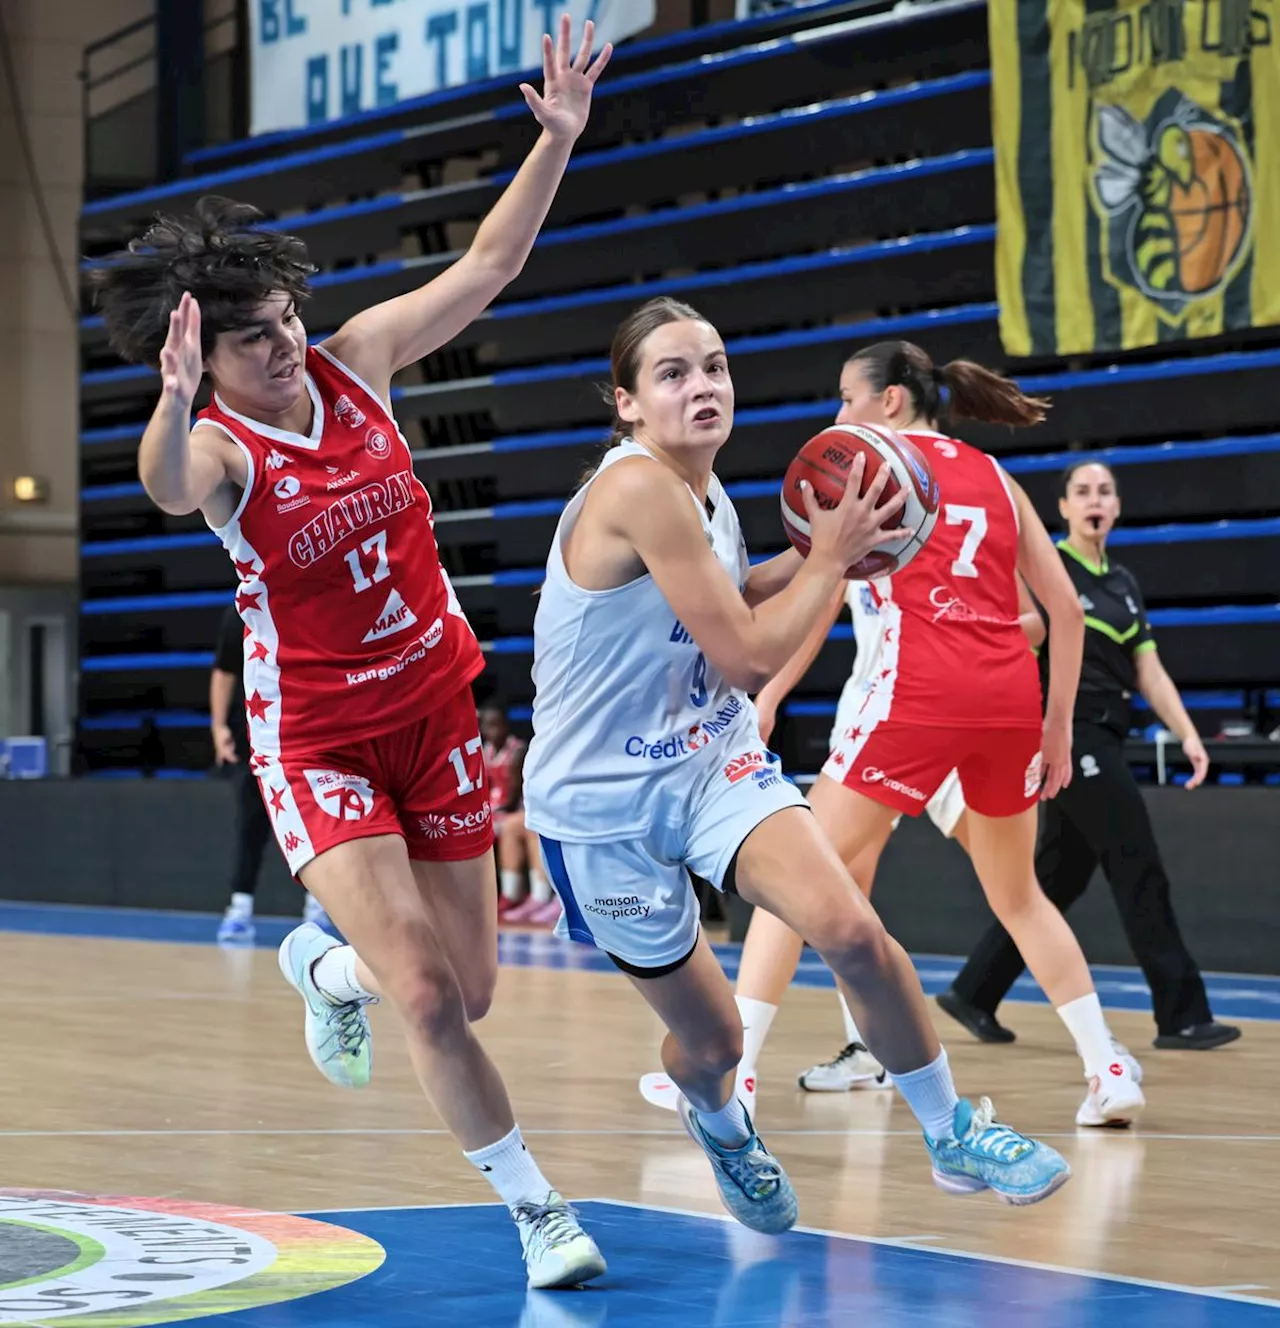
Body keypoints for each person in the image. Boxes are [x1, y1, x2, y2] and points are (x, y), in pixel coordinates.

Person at [94, 16, 613, 1290]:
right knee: (428, 999)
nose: (280, 344)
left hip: (435, 712)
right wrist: (170, 401)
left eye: (281, 319)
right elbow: (165, 490)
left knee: (474, 988)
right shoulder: (219, 446)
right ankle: (538, 1209)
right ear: (204, 357)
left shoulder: (361, 363)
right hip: (319, 737)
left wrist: (556, 142)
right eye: (250, 338)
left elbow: (487, 266)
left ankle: (319, 958)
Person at [522, 295, 1072, 1235]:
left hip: (707, 767)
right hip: (600, 809)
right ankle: (720, 1121)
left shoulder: (706, 495)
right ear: (626, 403)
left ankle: (950, 1133)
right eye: (674, 373)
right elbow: (745, 653)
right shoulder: (636, 489)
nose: (704, 386)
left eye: (716, 366)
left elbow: (730, 593)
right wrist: (831, 560)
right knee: (714, 1041)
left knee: (853, 932)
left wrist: (826, 553)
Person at [642, 340, 1146, 1130]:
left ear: (892, 404)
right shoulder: (997, 476)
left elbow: (817, 592)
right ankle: (1109, 1066)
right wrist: (1054, 730)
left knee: (787, 881)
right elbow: (1063, 615)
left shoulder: (870, 471)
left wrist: (769, 689)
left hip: (916, 696)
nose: (840, 415)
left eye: (849, 397)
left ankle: (728, 1078)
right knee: (1017, 895)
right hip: (1011, 701)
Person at [939, 460, 1242, 1051]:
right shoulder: (1047, 564)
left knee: (1053, 879)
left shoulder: (1123, 583)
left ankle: (975, 991)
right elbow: (1016, 631)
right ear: (1064, 509)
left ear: (1118, 507)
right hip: (1070, 737)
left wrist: (1187, 734)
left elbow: (1147, 669)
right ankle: (1181, 1013)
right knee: (1138, 865)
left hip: (1110, 732)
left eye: (1104, 490)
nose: (1094, 499)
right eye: (1082, 491)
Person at [743, 575, 1045, 1091]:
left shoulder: (957, 517)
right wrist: (768, 698)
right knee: (839, 894)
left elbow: (1038, 621)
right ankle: (865, 1050)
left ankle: (1100, 1054)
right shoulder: (860, 525)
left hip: (935, 716)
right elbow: (813, 623)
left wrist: (975, 634)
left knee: (1015, 894)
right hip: (867, 723)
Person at [210, 602, 329, 943]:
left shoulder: (308, 606)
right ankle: (240, 907)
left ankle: (318, 908)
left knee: (318, 820)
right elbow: (224, 671)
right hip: (257, 733)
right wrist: (218, 727)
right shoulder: (240, 611)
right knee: (251, 822)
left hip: (308, 729)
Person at [481, 701, 560, 925]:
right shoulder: (482, 750)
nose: (491, 731)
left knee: (516, 825)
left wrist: (490, 811)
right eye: (487, 726)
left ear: (506, 726)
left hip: (513, 810)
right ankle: (510, 894)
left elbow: (513, 795)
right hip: (495, 811)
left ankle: (539, 896)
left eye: (495, 725)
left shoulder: (517, 751)